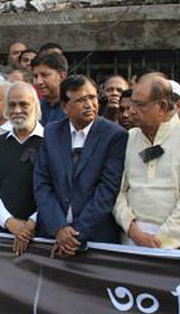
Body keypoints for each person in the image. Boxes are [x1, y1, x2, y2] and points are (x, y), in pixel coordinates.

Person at [34, 75, 128, 256]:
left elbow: (107, 189)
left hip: (95, 239)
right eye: (80, 100)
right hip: (52, 235)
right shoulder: (52, 132)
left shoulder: (115, 135)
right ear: (65, 106)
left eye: (92, 98)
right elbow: (42, 183)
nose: (89, 105)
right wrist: (59, 227)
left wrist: (74, 235)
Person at [113, 74, 180, 249]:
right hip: (130, 238)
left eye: (139, 105)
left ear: (162, 107)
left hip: (173, 244)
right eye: (131, 103)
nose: (131, 111)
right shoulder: (129, 137)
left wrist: (161, 242)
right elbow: (118, 193)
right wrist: (134, 232)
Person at [0, 81, 43, 255]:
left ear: (35, 105)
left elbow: (60, 190)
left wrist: (32, 223)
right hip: (2, 235)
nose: (17, 110)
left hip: (43, 236)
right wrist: (9, 221)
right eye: (12, 105)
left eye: (23, 104)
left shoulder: (52, 142)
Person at [32, 52, 68, 127]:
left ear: (62, 76)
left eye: (44, 75)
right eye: (36, 76)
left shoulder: (74, 108)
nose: (38, 82)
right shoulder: (34, 108)